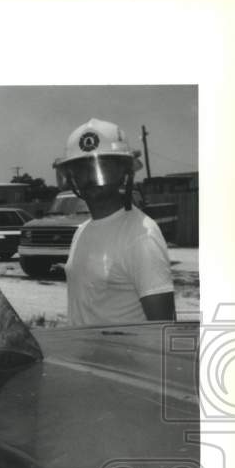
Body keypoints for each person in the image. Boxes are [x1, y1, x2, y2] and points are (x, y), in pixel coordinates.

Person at [56, 118, 176, 326]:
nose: (91, 176)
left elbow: (162, 331)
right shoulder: (82, 231)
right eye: (82, 168)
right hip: (83, 357)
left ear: (124, 172)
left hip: (122, 359)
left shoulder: (140, 236)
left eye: (102, 166)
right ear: (72, 176)